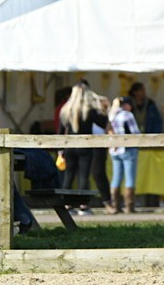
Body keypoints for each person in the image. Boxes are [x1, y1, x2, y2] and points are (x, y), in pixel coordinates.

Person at [57, 81, 112, 213]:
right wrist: (103, 108)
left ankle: (66, 205)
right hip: (85, 146)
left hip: (69, 146)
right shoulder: (89, 110)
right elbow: (103, 123)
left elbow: (60, 131)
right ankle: (83, 205)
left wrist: (59, 149)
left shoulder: (66, 110)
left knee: (68, 176)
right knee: (83, 176)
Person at [107, 95, 140, 214]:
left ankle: (115, 205)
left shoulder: (111, 115)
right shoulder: (128, 115)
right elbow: (135, 132)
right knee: (130, 177)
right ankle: (129, 206)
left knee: (116, 177)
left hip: (114, 150)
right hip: (128, 149)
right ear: (126, 105)